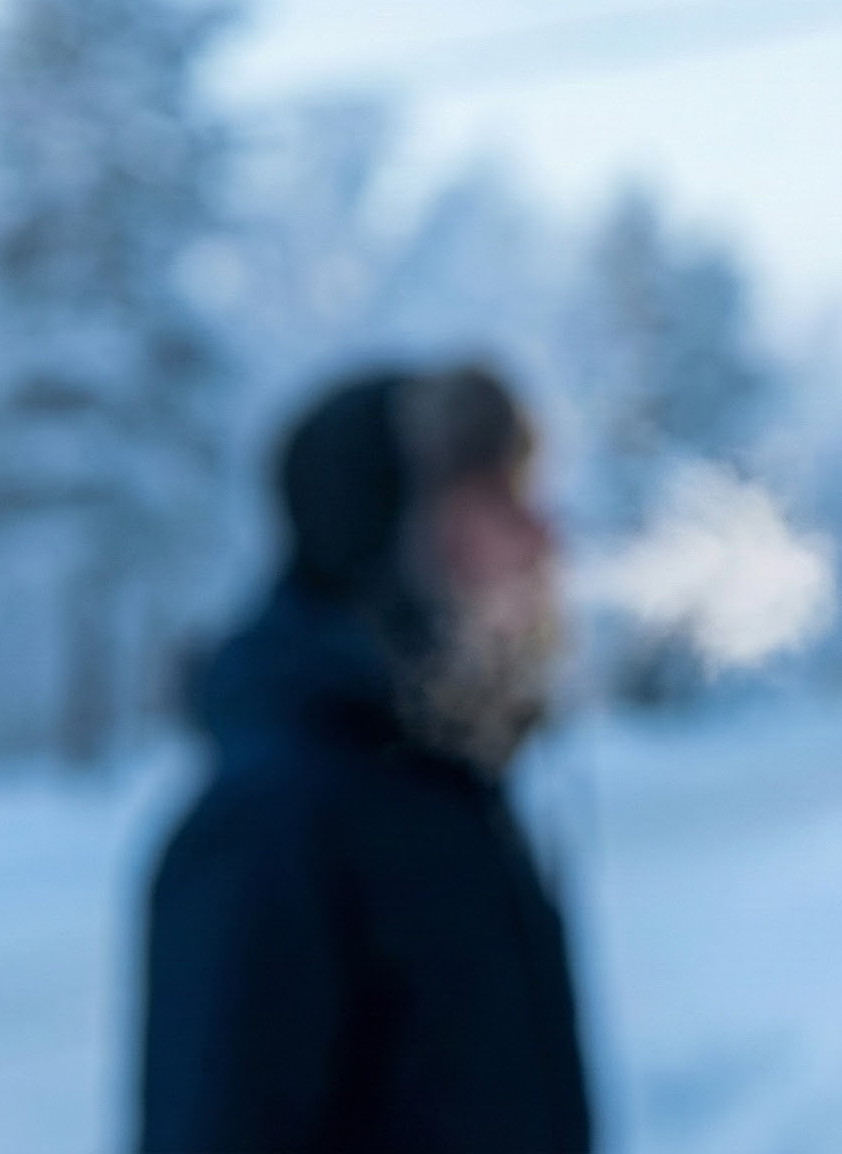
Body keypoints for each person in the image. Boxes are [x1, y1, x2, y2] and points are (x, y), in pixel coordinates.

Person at [138, 365, 591, 1154]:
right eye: (495, 499)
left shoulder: (450, 789)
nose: (542, 537)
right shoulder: (273, 825)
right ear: (386, 532)